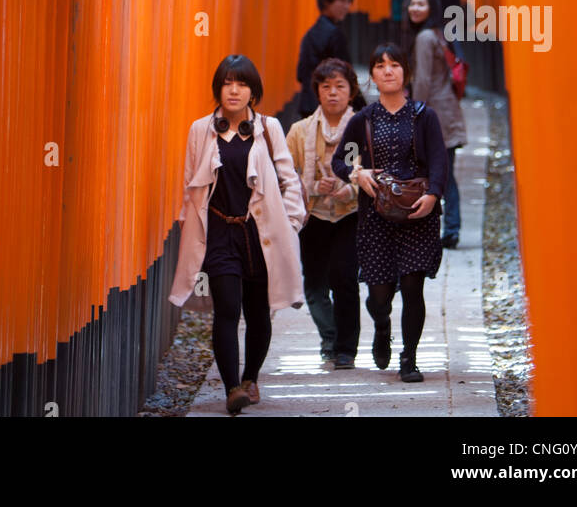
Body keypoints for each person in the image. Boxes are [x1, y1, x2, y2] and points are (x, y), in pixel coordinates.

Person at [169, 54, 305, 415]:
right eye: (227, 83)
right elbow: (189, 183)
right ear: (218, 89)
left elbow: (289, 178)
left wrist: (291, 223)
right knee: (227, 307)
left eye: (241, 83)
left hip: (260, 232)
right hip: (218, 230)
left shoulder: (268, 128)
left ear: (253, 92)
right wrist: (187, 222)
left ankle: (250, 378)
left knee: (258, 311)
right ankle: (231, 388)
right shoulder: (201, 129)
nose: (233, 90)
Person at [332, 44, 446, 383]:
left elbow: (440, 160)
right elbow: (341, 160)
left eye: (394, 65)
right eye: (380, 66)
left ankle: (409, 357)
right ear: (372, 76)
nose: (387, 71)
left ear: (405, 73)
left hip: (416, 213)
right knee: (378, 294)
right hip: (376, 216)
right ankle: (382, 327)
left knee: (413, 286)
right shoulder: (361, 121)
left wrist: (433, 194)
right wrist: (358, 173)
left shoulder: (425, 116)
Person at [286, 59, 366, 367]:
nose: (333, 93)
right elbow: (288, 173)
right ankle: (329, 336)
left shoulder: (362, 126)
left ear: (351, 91)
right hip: (313, 214)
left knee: (344, 277)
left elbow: (369, 167)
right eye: (326, 87)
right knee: (315, 283)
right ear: (317, 91)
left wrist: (349, 185)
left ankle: (346, 348)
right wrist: (313, 186)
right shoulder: (299, 131)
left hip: (350, 212)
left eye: (340, 87)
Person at [407, 0, 467, 249]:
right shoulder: (439, 34)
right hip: (448, 110)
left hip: (435, 114)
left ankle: (445, 227)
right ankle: (452, 227)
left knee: (436, 173)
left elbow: (422, 80)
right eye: (412, 4)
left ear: (431, 8)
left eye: (421, 4)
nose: (415, 8)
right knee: (447, 173)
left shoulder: (423, 38)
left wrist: (414, 113)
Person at [296, 0, 355, 118]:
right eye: (342, 0)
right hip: (329, 108)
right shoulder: (335, 34)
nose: (346, 6)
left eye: (348, 1)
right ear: (326, 2)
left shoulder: (310, 34)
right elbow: (346, 75)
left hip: (307, 105)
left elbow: (300, 74)